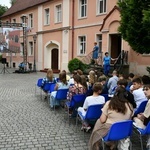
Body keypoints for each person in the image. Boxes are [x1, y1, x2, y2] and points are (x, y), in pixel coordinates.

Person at [133, 84, 150, 148]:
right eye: (144, 90)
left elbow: (145, 116)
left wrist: (139, 116)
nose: (144, 91)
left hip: (147, 127)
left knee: (135, 118)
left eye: (147, 89)